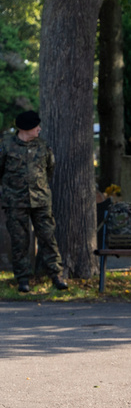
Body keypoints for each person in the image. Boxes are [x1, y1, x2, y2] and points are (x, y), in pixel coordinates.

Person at [0, 111, 68, 293]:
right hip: (15, 202)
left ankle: (56, 275)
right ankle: (23, 279)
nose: (39, 129)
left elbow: (49, 169)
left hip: (41, 201)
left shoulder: (43, 146)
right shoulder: (6, 145)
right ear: (25, 128)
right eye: (36, 126)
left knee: (48, 238)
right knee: (20, 241)